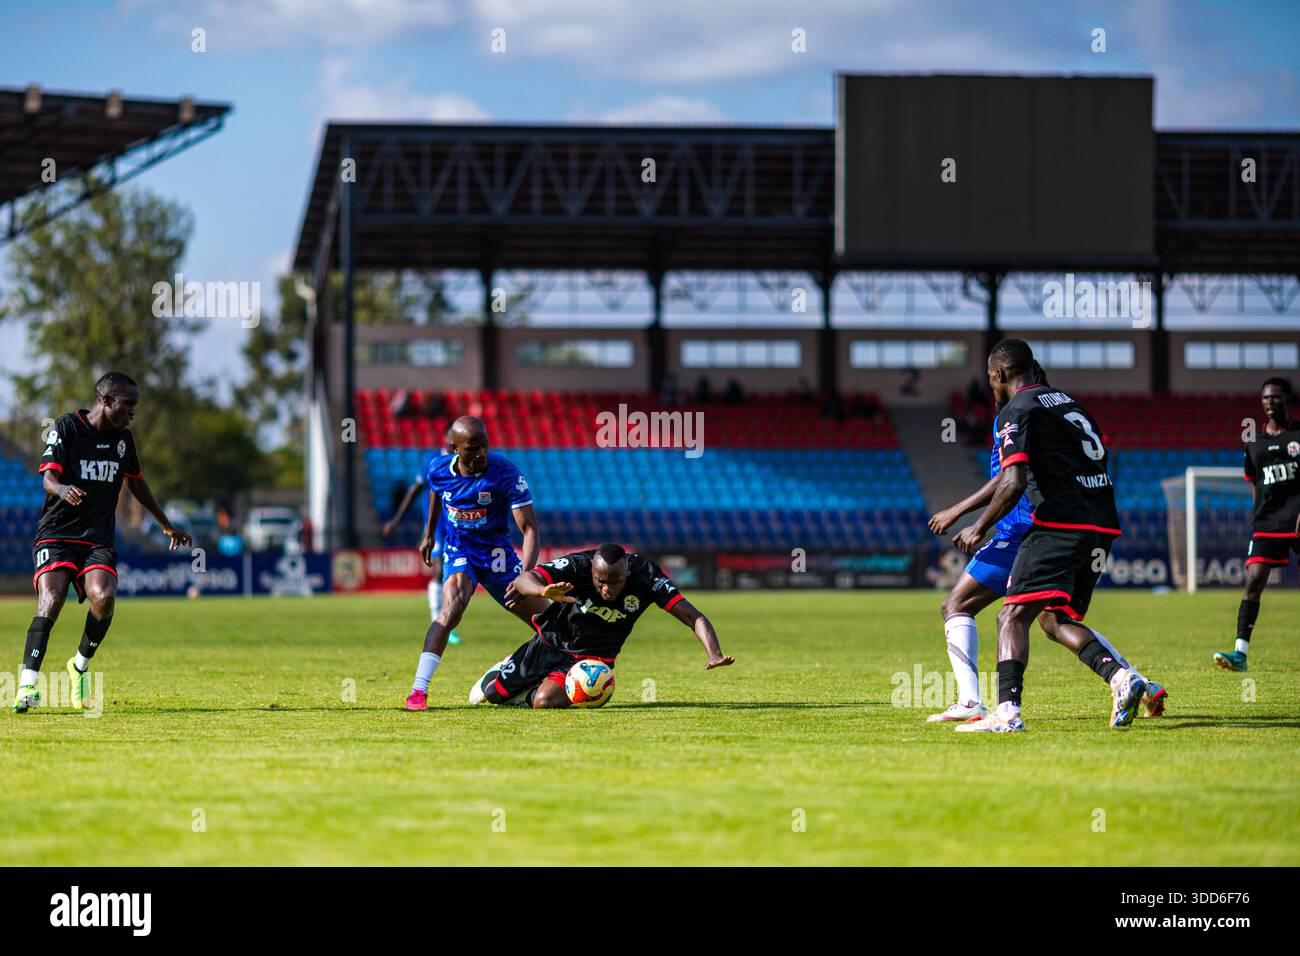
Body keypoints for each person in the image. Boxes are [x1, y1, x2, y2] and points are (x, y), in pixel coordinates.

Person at [928, 360, 1164, 722]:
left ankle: (984, 706)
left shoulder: (1017, 412)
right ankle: (1133, 681)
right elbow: (1013, 473)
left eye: (992, 379)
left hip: (1034, 525)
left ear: (1002, 376)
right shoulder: (1065, 406)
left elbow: (1012, 480)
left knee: (969, 606)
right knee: (1055, 620)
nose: (991, 387)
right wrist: (961, 510)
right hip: (1094, 523)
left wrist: (974, 523)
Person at [14, 372, 192, 713]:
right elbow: (48, 478)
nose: (132, 411)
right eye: (128, 404)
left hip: (97, 538)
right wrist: (64, 489)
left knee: (104, 597)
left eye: (134, 405)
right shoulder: (67, 427)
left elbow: (137, 483)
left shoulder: (124, 440)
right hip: (56, 532)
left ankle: (78, 666)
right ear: (106, 401)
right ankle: (26, 687)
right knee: (51, 599)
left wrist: (166, 525)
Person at [468, 543, 733, 708]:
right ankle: (508, 668)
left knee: (544, 702)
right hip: (550, 641)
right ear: (592, 571)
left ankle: (538, 689)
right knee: (491, 696)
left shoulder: (647, 577)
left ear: (627, 571)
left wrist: (714, 653)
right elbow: (526, 578)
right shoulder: (578, 565)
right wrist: (542, 591)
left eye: (614, 582)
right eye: (600, 581)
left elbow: (693, 616)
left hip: (593, 659)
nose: (606, 588)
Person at [404, 416, 549, 711]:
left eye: (484, 444)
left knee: (551, 624)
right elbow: (435, 491)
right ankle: (418, 691)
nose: (481, 452)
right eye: (472, 448)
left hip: (498, 557)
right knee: (450, 611)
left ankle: (516, 669)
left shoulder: (505, 473)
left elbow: (530, 529)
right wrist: (429, 533)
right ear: (454, 448)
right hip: (461, 552)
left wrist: (525, 576)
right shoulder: (438, 469)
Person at [1214, 377, 1300, 671]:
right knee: (1253, 581)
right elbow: (1253, 481)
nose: (1269, 402)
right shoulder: (1254, 440)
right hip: (1267, 523)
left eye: (1275, 397)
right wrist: (1258, 515)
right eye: (1265, 398)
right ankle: (1240, 654)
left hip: (1299, 516)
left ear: (1287, 400)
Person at [383, 423, 462, 645]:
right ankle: (438, 621)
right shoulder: (433, 462)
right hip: (437, 526)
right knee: (438, 570)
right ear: (447, 436)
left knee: (454, 576)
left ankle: (447, 622)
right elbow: (415, 490)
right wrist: (397, 520)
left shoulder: (468, 462)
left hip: (459, 526)